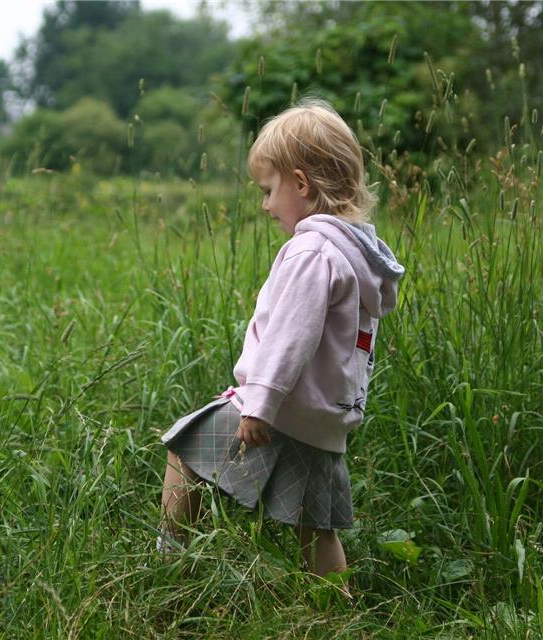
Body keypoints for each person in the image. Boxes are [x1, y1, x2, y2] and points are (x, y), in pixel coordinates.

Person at [157, 98, 406, 578]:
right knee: (316, 528)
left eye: (269, 190)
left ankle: (168, 562)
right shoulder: (355, 254)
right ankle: (339, 609)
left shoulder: (310, 251)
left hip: (279, 407)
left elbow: (290, 338)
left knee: (184, 449)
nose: (266, 204)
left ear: (300, 183)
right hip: (322, 418)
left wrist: (258, 404)